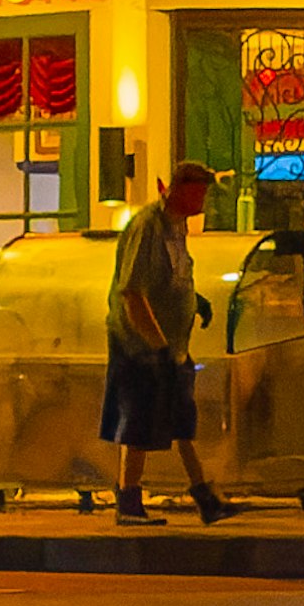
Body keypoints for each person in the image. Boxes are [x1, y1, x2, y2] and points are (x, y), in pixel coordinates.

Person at [102, 155, 222, 523]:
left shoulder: (177, 227)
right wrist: (157, 346)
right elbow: (132, 292)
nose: (202, 203)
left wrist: (194, 302)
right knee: (141, 421)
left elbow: (174, 276)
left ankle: (203, 496)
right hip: (141, 344)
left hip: (172, 344)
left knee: (180, 416)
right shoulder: (148, 227)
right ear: (180, 190)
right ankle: (130, 500)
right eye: (198, 193)